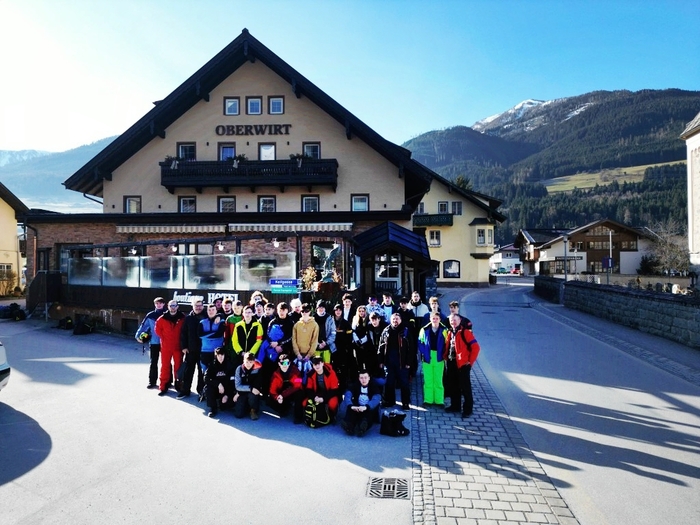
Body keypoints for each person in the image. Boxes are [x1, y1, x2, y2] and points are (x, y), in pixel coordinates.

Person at [444, 313, 481, 418]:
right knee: (453, 386)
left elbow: (476, 347)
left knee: (465, 388)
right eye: (451, 320)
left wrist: (470, 362)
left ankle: (468, 409)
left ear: (460, 321)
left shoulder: (465, 332)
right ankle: (455, 406)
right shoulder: (450, 332)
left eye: (455, 320)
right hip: (452, 362)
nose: (453, 322)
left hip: (463, 364)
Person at [378, 312, 414, 410]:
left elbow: (411, 348)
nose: (395, 321)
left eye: (397, 319)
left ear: (400, 320)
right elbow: (381, 347)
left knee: (404, 383)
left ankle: (405, 403)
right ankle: (389, 401)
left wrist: (409, 362)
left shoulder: (405, 331)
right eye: (393, 319)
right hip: (389, 361)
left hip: (402, 362)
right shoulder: (386, 331)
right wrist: (381, 361)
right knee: (389, 382)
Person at [154, 300, 186, 397]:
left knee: (178, 367)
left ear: (177, 307)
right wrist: (164, 338)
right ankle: (163, 386)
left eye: (174, 305)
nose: (173, 307)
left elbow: (185, 330)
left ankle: (179, 385)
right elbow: (157, 330)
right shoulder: (162, 318)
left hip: (178, 347)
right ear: (168, 307)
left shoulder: (182, 318)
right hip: (166, 347)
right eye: (171, 306)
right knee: (165, 366)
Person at [177, 297, 206, 399]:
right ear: (192, 306)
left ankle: (201, 391)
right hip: (190, 349)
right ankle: (185, 390)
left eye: (200, 306)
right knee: (188, 371)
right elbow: (183, 333)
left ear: (203, 306)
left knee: (201, 372)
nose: (198, 308)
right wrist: (184, 346)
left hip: (203, 350)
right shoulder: (188, 318)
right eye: (196, 306)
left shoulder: (207, 316)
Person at [417, 312, 447, 407]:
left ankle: (439, 401)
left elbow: (447, 343)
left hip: (439, 357)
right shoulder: (424, 329)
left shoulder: (444, 330)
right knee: (428, 379)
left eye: (437, 318)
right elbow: (420, 342)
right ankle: (428, 400)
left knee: (438, 380)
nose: (435, 320)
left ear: (440, 319)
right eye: (433, 318)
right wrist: (424, 352)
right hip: (427, 357)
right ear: (430, 319)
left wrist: (444, 353)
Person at [135, 297, 165, 390]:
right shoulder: (150, 315)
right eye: (157, 303)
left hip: (165, 342)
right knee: (153, 362)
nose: (158, 305)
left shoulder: (167, 314)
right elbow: (143, 326)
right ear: (154, 304)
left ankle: (167, 381)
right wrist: (138, 336)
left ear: (164, 304)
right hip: (154, 342)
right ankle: (152, 381)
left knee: (166, 363)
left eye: (160, 303)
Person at [341, 369, 382, 436]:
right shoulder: (355, 385)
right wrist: (350, 405)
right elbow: (348, 394)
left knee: (368, 416)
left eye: (365, 377)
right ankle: (349, 426)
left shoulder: (374, 386)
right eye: (361, 378)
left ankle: (362, 428)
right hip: (357, 407)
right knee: (351, 412)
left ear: (369, 378)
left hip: (369, 407)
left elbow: (377, 398)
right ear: (359, 379)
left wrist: (366, 407)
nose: (364, 380)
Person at [267, 353, 304, 423]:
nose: (285, 365)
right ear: (279, 364)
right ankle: (284, 408)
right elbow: (272, 390)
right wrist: (277, 397)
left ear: (289, 363)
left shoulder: (296, 371)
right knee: (269, 401)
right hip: (283, 393)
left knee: (299, 394)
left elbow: (298, 385)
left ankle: (298, 417)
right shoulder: (275, 374)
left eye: (286, 363)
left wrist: (283, 395)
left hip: (293, 391)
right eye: (282, 363)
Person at [303, 355, 340, 421]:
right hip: (317, 394)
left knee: (333, 404)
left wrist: (323, 399)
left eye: (319, 363)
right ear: (313, 365)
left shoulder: (331, 372)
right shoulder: (310, 374)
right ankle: (312, 417)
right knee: (304, 403)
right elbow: (309, 389)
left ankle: (332, 416)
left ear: (322, 363)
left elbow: (335, 389)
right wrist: (314, 397)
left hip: (329, 393)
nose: (317, 366)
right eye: (315, 364)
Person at [204, 347, 236, 417]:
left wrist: (227, 395)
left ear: (225, 355)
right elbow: (206, 378)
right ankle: (213, 408)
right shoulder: (212, 365)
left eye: (222, 355)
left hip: (226, 389)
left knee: (227, 405)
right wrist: (218, 384)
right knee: (208, 388)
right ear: (216, 356)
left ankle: (222, 402)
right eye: (218, 355)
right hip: (216, 388)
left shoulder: (230, 365)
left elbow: (233, 383)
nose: (220, 357)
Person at [198, 304, 225, 381]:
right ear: (207, 311)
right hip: (205, 351)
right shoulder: (202, 322)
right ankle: (205, 388)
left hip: (217, 351)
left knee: (217, 373)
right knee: (205, 373)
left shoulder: (221, 321)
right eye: (209, 310)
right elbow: (199, 335)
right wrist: (214, 333)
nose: (211, 311)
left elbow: (219, 334)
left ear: (216, 311)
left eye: (213, 310)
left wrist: (205, 335)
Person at [232, 305, 263, 371]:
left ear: (252, 313)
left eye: (249, 312)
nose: (247, 314)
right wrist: (240, 352)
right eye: (245, 312)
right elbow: (234, 340)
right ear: (243, 313)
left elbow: (259, 340)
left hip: (252, 356)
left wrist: (251, 353)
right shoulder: (238, 325)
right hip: (241, 355)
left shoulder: (258, 325)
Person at [233, 351, 263, 420]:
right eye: (246, 362)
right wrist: (239, 393)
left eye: (250, 362)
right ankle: (245, 406)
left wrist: (252, 389)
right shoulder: (239, 369)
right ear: (243, 361)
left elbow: (257, 386)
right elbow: (237, 386)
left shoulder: (258, 369)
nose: (248, 364)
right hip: (242, 392)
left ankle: (253, 410)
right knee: (238, 414)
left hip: (253, 392)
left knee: (253, 395)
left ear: (253, 362)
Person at [292, 303, 319, 374]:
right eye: (302, 311)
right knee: (297, 376)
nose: (304, 313)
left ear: (310, 312)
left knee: (309, 376)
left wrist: (309, 355)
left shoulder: (315, 325)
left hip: (310, 356)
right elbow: (294, 340)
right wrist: (297, 353)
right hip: (298, 355)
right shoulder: (297, 325)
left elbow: (315, 341)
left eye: (306, 311)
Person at [332, 303, 353, 391]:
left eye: (340, 310)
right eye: (336, 310)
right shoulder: (330, 321)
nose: (338, 312)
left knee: (343, 368)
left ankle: (343, 386)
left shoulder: (346, 323)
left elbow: (349, 337)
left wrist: (347, 348)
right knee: (333, 367)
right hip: (332, 349)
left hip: (343, 349)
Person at [350, 305, 371, 378]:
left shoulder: (368, 319)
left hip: (366, 343)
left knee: (367, 362)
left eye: (363, 311)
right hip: (357, 344)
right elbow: (353, 330)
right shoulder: (355, 318)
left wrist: (363, 340)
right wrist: (357, 340)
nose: (361, 313)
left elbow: (368, 332)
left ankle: (367, 377)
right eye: (360, 311)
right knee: (359, 361)